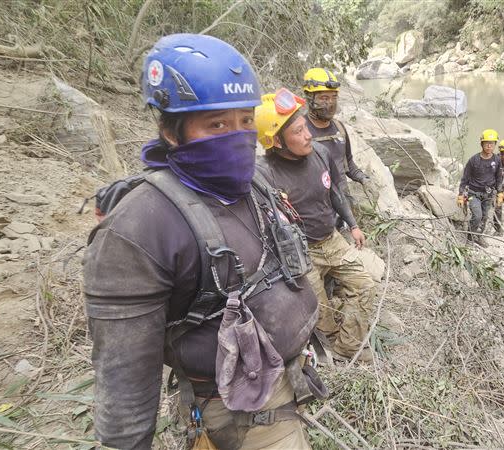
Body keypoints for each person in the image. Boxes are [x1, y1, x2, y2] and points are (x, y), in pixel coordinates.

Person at [83, 34, 319, 450]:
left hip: (287, 379)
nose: (237, 135)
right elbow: (124, 383)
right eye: (217, 125)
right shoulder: (140, 228)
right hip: (239, 411)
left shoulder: (252, 184)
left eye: (245, 121)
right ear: (170, 131)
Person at [255, 88, 377, 363]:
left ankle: (347, 345)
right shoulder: (264, 174)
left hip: (332, 239)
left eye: (304, 127)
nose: (308, 134)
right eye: (298, 132)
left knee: (365, 285)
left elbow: (335, 192)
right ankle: (331, 339)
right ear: (276, 141)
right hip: (301, 252)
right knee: (317, 308)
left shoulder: (320, 152)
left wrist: (353, 225)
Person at [301, 67, 370, 206]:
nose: (330, 103)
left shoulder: (339, 128)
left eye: (333, 97)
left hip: (343, 204)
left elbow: (348, 164)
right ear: (310, 98)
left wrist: (363, 179)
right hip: (316, 208)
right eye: (324, 98)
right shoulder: (300, 131)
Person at [457, 129, 502, 246]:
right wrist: (461, 195)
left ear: (495, 145)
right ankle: (470, 238)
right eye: (486, 142)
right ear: (481, 143)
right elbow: (465, 179)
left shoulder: (497, 160)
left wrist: (500, 193)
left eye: (492, 143)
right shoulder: (474, 160)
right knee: (477, 216)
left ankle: (479, 236)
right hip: (473, 193)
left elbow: (498, 178)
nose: (489, 145)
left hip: (488, 194)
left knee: (485, 217)